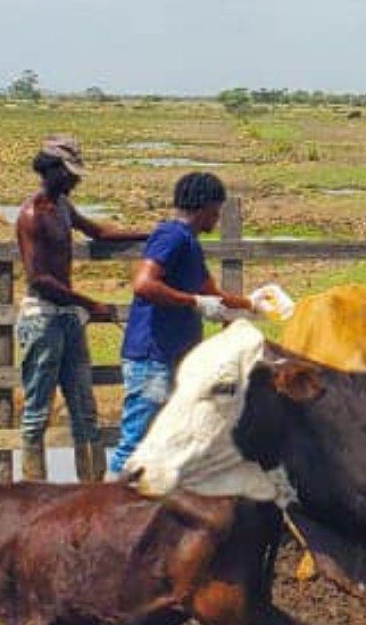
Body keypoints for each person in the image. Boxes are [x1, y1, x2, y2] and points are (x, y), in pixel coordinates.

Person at [109, 169, 253, 473]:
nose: (217, 217)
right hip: (153, 359)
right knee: (136, 442)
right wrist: (195, 303)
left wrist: (253, 304)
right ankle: (109, 508)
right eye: (216, 210)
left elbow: (210, 292)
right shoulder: (172, 236)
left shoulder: (188, 242)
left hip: (174, 358)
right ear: (204, 207)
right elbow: (144, 284)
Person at [13, 137, 135, 481]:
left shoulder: (63, 206)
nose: (75, 180)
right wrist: (89, 303)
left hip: (67, 318)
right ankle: (34, 486)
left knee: (84, 407)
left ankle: (91, 485)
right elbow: (39, 279)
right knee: (38, 409)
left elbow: (98, 232)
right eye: (70, 173)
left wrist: (151, 234)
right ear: (51, 170)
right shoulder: (31, 215)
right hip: (43, 319)